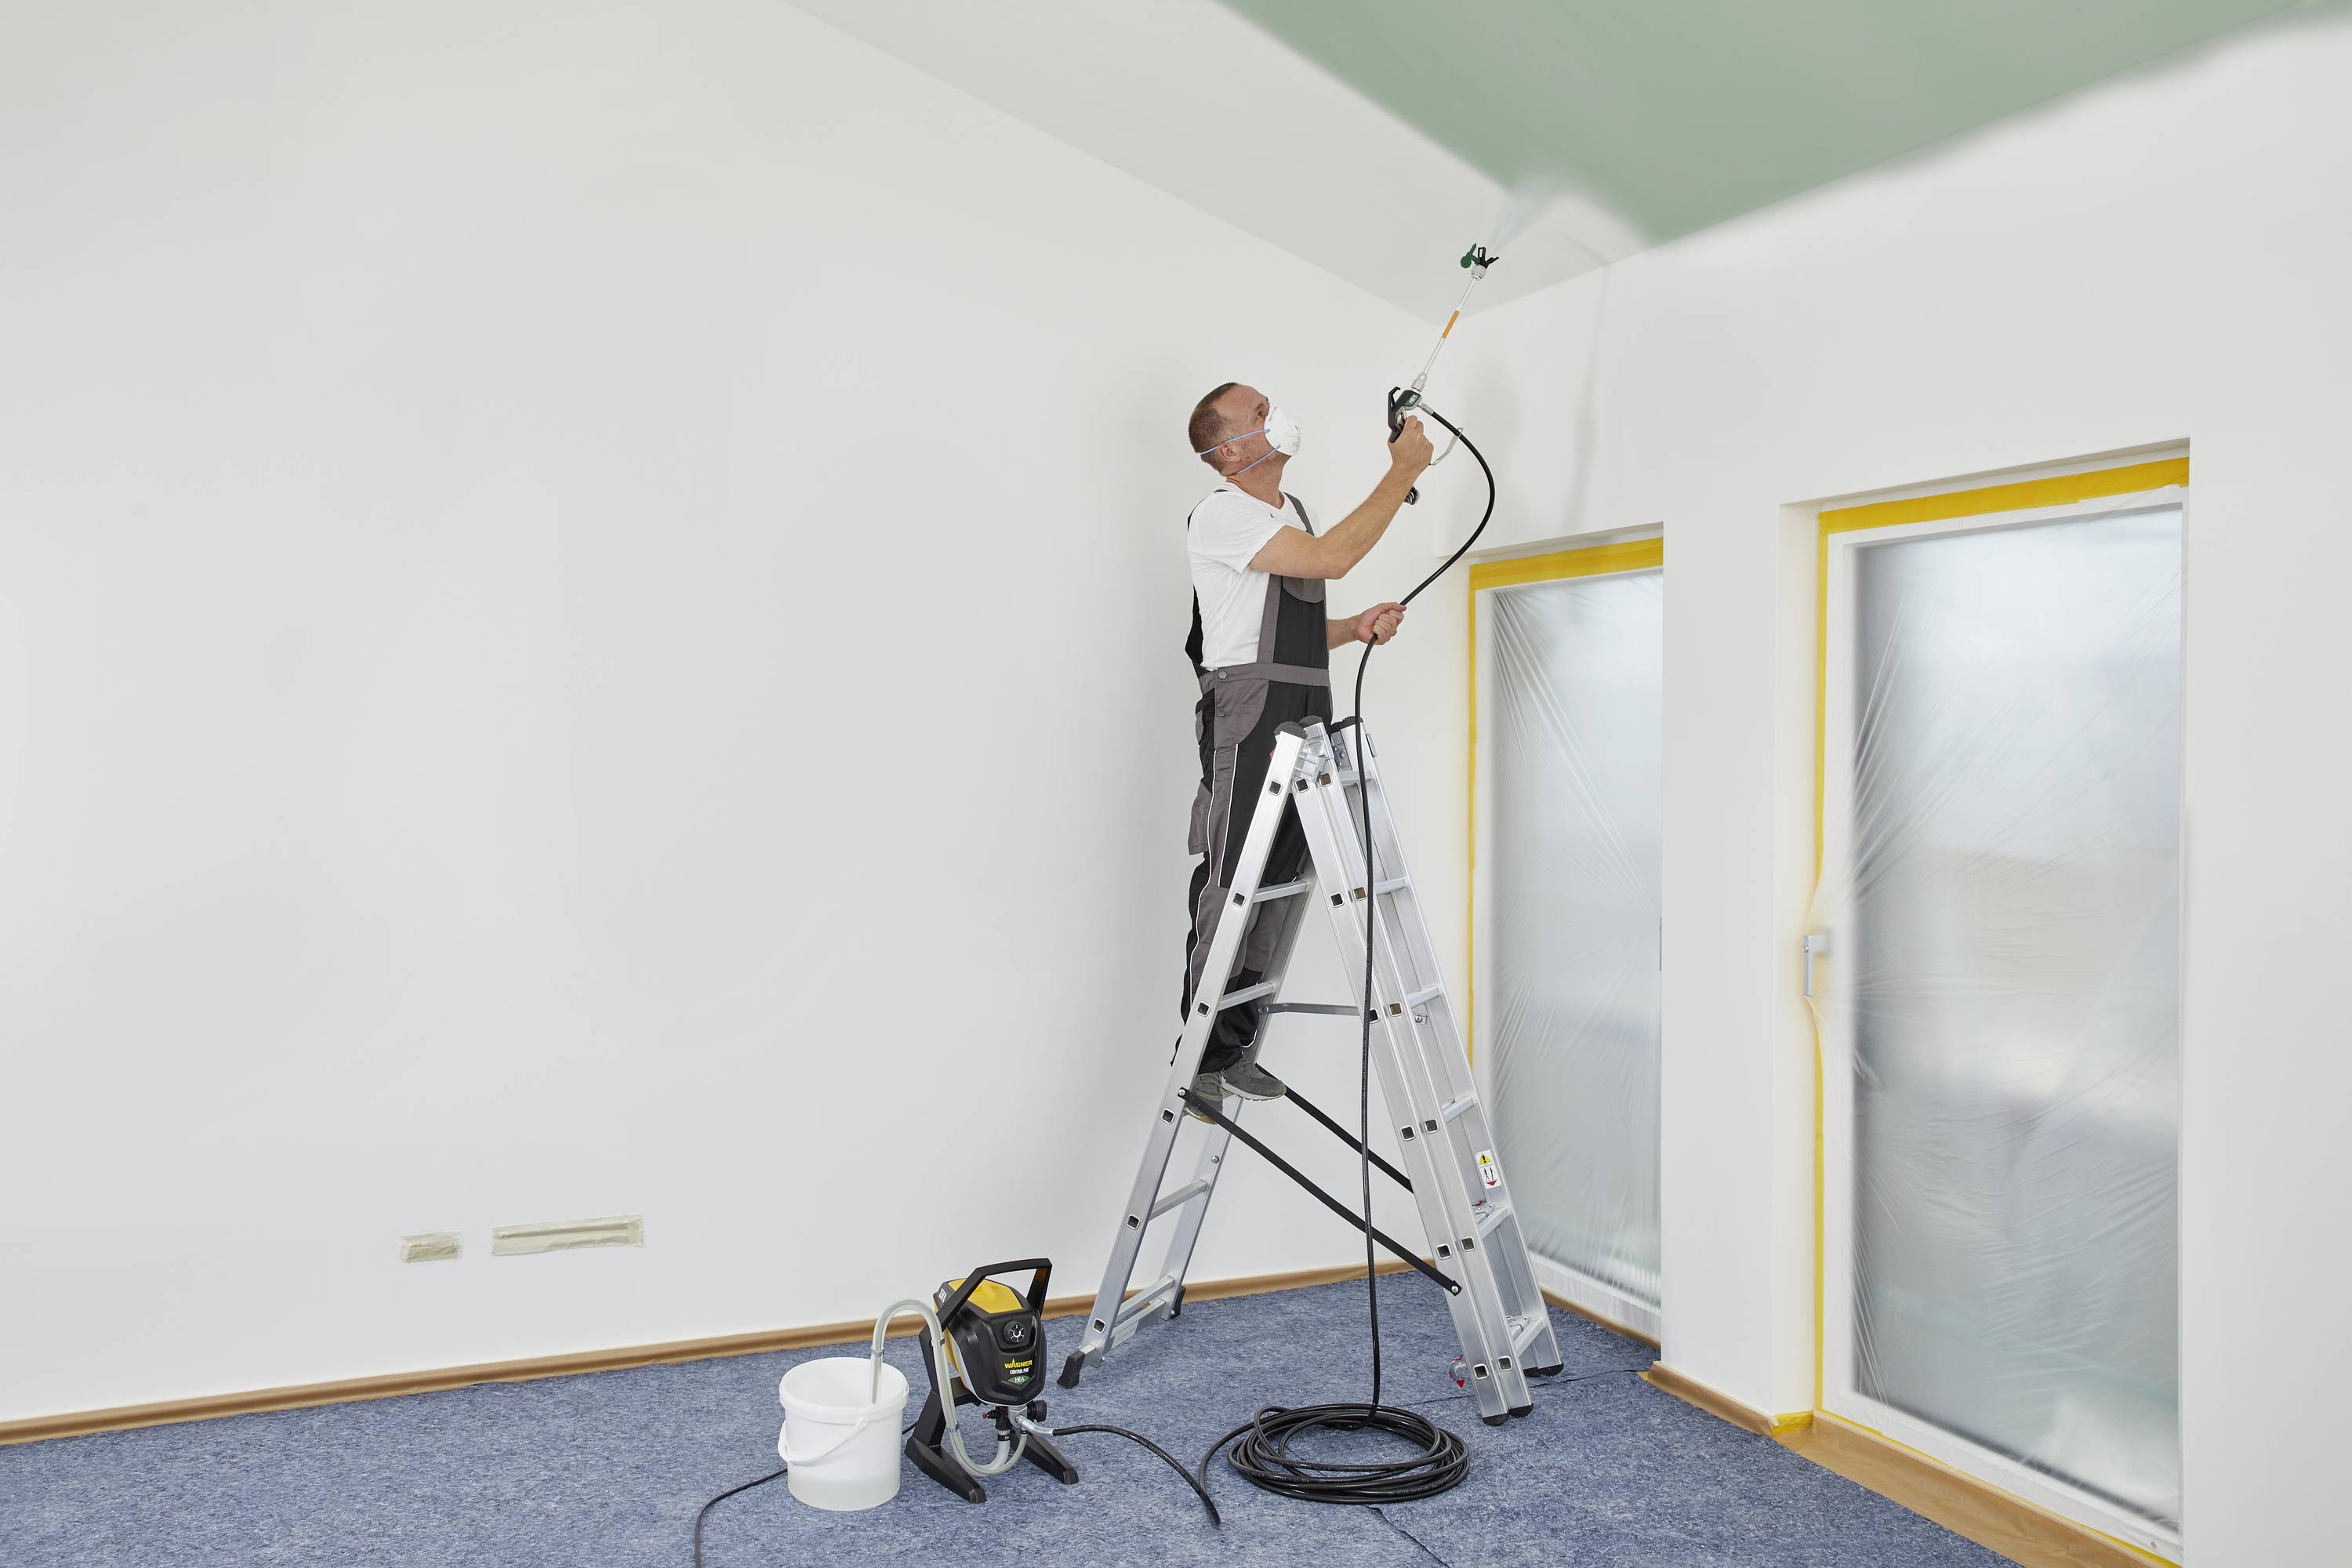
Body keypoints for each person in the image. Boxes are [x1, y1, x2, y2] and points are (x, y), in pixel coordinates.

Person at [1178, 381, 1434, 1116]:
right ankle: (1196, 1057)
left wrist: (1351, 629)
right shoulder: (1222, 513)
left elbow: (1285, 618)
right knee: (1235, 874)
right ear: (1229, 451)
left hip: (1306, 695)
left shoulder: (1291, 514)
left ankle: (1236, 1047)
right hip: (1251, 707)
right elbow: (1329, 561)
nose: (1275, 416)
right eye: (1259, 414)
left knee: (1287, 873)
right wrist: (1402, 472)